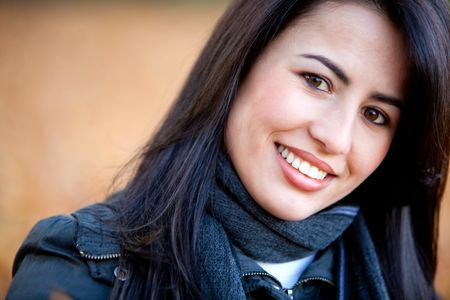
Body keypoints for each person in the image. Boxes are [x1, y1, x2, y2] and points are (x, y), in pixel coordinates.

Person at [6, 0, 450, 299]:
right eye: (317, 80)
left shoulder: (402, 283)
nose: (336, 138)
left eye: (376, 115)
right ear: (239, 64)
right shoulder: (83, 266)